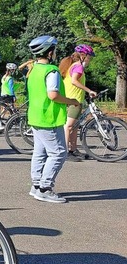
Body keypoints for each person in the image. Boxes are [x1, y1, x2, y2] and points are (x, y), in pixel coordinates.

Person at [26, 35, 80, 203]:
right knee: (58, 153)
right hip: (49, 118)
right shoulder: (52, 70)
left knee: (40, 152)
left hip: (35, 116)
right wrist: (71, 101)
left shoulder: (33, 69)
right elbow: (53, 95)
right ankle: (45, 188)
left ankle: (36, 186)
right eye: (54, 51)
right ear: (50, 53)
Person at [59, 44, 98, 161]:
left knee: (75, 126)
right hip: (73, 100)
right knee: (69, 126)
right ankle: (65, 153)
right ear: (82, 55)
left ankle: (73, 149)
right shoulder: (78, 66)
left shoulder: (73, 65)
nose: (89, 60)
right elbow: (74, 81)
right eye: (89, 57)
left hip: (74, 99)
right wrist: (89, 90)